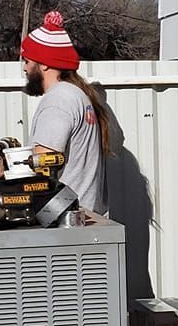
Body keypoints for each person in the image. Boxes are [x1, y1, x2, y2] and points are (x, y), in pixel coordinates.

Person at [17, 11, 111, 214]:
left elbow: (43, 165)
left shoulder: (58, 101)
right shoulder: (76, 95)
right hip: (84, 216)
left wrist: (5, 168)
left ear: (43, 63)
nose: (24, 68)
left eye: (27, 61)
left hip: (64, 219)